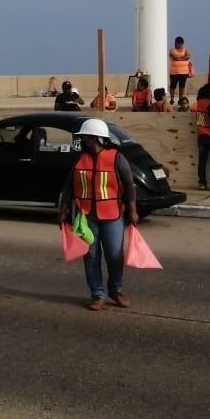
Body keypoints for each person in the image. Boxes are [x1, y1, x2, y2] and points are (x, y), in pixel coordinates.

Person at [58, 118, 139, 311]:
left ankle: (116, 290)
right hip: (86, 217)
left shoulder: (116, 157)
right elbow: (68, 187)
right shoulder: (79, 159)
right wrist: (63, 210)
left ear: (94, 138)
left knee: (114, 256)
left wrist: (133, 211)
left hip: (112, 216)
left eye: (84, 137)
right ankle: (97, 295)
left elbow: (129, 185)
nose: (81, 140)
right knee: (91, 257)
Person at [168, 37, 193, 103]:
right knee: (173, 86)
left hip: (184, 72)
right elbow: (174, 57)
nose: (178, 45)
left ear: (182, 44)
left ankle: (180, 99)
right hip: (174, 72)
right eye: (177, 43)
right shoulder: (172, 50)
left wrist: (179, 58)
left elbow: (188, 56)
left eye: (179, 43)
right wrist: (183, 57)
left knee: (182, 86)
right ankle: (172, 99)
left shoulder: (185, 50)